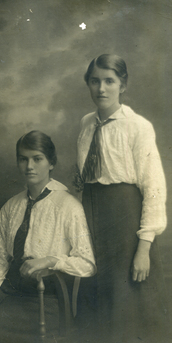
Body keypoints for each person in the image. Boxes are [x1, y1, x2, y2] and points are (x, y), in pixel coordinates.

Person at [75, 54, 171, 342]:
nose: (101, 89)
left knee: (127, 313)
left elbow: (154, 190)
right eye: (95, 81)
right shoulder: (85, 124)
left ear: (122, 85)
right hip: (93, 223)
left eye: (109, 81)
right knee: (94, 310)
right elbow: (83, 178)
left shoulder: (138, 126)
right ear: (88, 84)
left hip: (127, 229)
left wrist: (143, 248)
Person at [0, 130, 96, 320]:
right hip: (8, 293)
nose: (29, 166)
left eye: (37, 159)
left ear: (51, 163)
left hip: (44, 300)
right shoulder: (11, 207)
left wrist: (51, 260)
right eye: (23, 159)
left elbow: (88, 264)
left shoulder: (69, 206)